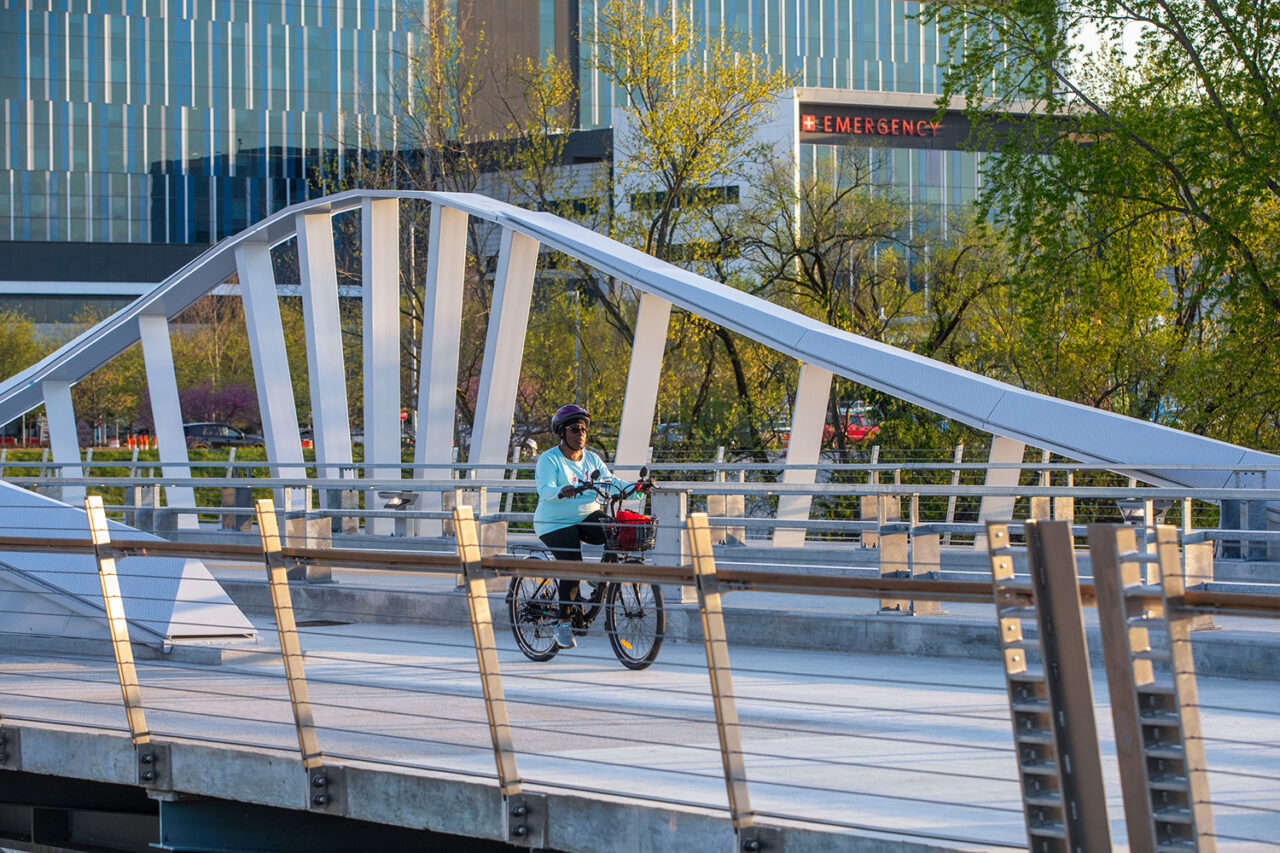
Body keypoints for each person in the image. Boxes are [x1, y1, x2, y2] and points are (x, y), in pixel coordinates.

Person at [533, 404, 612, 649]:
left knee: (617, 531)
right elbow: (545, 490)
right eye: (575, 429)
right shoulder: (549, 459)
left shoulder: (592, 458)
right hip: (553, 522)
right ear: (562, 432)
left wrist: (638, 488)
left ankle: (598, 580)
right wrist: (561, 490)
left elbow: (610, 481)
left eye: (585, 430)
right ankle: (563, 624)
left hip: (586, 515)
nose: (581, 435)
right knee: (572, 563)